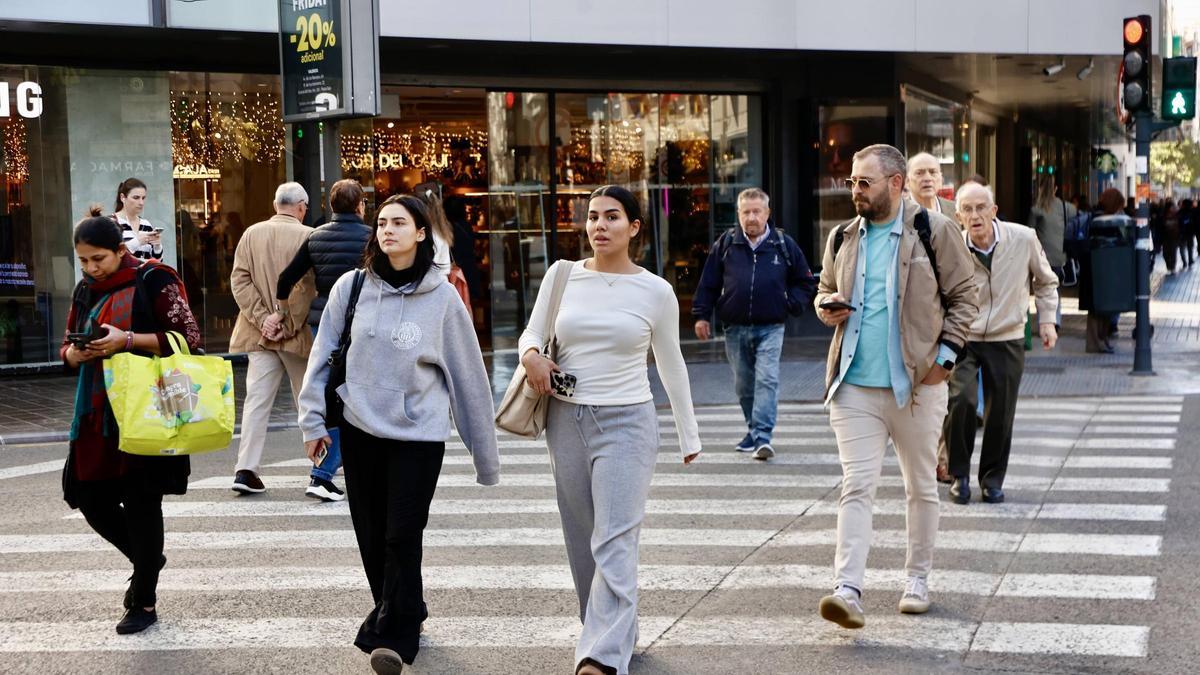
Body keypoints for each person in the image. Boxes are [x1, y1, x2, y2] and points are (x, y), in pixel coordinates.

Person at [297, 193, 499, 675]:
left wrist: (484, 456)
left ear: (422, 232)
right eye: (382, 222)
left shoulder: (444, 297)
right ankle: (408, 609)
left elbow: (467, 377)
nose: (387, 230)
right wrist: (310, 420)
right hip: (360, 428)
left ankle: (392, 634)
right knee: (371, 535)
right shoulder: (352, 287)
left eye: (399, 223)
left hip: (418, 438)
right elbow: (323, 354)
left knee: (401, 535)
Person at [519, 185, 701, 675]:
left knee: (614, 538)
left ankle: (599, 656)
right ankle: (609, 627)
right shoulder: (562, 276)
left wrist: (689, 435)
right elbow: (532, 333)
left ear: (634, 227)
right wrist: (532, 356)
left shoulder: (656, 292)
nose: (599, 225)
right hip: (566, 419)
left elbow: (672, 363)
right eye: (593, 217)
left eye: (612, 217)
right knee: (582, 536)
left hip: (627, 422)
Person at [813, 144, 977, 629]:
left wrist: (945, 359)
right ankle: (847, 589)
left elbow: (966, 295)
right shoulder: (843, 235)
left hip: (917, 384)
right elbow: (822, 288)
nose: (855, 192)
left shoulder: (934, 229)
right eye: (852, 183)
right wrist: (827, 306)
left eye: (865, 182)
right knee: (855, 485)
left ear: (897, 183)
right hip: (854, 385)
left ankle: (917, 579)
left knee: (920, 486)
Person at [61, 210, 201, 634]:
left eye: (98, 259)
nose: (90, 268)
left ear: (121, 251)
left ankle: (144, 600)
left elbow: (188, 340)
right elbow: (67, 346)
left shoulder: (155, 279)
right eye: (83, 260)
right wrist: (78, 353)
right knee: (85, 496)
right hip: (96, 413)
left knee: (142, 504)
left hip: (146, 410)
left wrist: (125, 341)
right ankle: (147, 560)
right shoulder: (86, 289)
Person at [944, 183, 1059, 505]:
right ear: (958, 216)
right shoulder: (952, 244)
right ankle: (959, 475)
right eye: (967, 209)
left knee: (1000, 412)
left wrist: (1047, 321)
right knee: (961, 402)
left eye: (981, 207)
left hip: (1007, 335)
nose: (975, 215)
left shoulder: (1022, 238)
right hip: (964, 336)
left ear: (994, 211)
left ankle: (992, 479)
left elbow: (1046, 281)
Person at [691, 187, 815, 460]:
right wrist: (701, 315)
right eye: (746, 212)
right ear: (739, 214)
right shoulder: (727, 243)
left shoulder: (783, 244)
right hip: (735, 328)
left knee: (767, 379)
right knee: (744, 385)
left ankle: (762, 436)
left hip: (771, 327)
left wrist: (789, 304)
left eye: (757, 211)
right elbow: (709, 282)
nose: (751, 217)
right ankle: (753, 430)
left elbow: (805, 282)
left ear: (767, 213)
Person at [271, 179, 373, 501]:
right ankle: (323, 474)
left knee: (333, 396)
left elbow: (285, 279)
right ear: (359, 205)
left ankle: (333, 468)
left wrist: (283, 313)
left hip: (324, 323)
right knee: (358, 400)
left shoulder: (316, 237)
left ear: (331, 206)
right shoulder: (372, 237)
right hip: (364, 325)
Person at [228, 183, 318, 495]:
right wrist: (286, 320)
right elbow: (307, 287)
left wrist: (263, 318)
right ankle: (320, 467)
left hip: (258, 334)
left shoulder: (251, 233)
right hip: (295, 334)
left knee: (256, 401)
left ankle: (245, 469)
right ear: (302, 207)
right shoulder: (308, 236)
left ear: (275, 203)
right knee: (306, 401)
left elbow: (239, 279)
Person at [1079, 189, 1131, 353]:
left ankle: (1101, 339)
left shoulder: (1098, 216)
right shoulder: (1101, 220)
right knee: (1097, 308)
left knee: (1102, 307)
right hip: (1098, 270)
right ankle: (1095, 342)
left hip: (1099, 268)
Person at [111, 178, 163, 260]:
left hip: (144, 273)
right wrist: (136, 242)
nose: (141, 203)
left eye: (143, 198)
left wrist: (157, 246)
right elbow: (109, 256)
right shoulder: (111, 222)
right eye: (136, 198)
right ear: (123, 197)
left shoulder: (146, 224)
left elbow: (157, 262)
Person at [906, 153, 957, 218]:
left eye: (933, 172)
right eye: (919, 173)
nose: (927, 178)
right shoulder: (897, 213)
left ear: (941, 178)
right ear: (907, 181)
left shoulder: (955, 210)